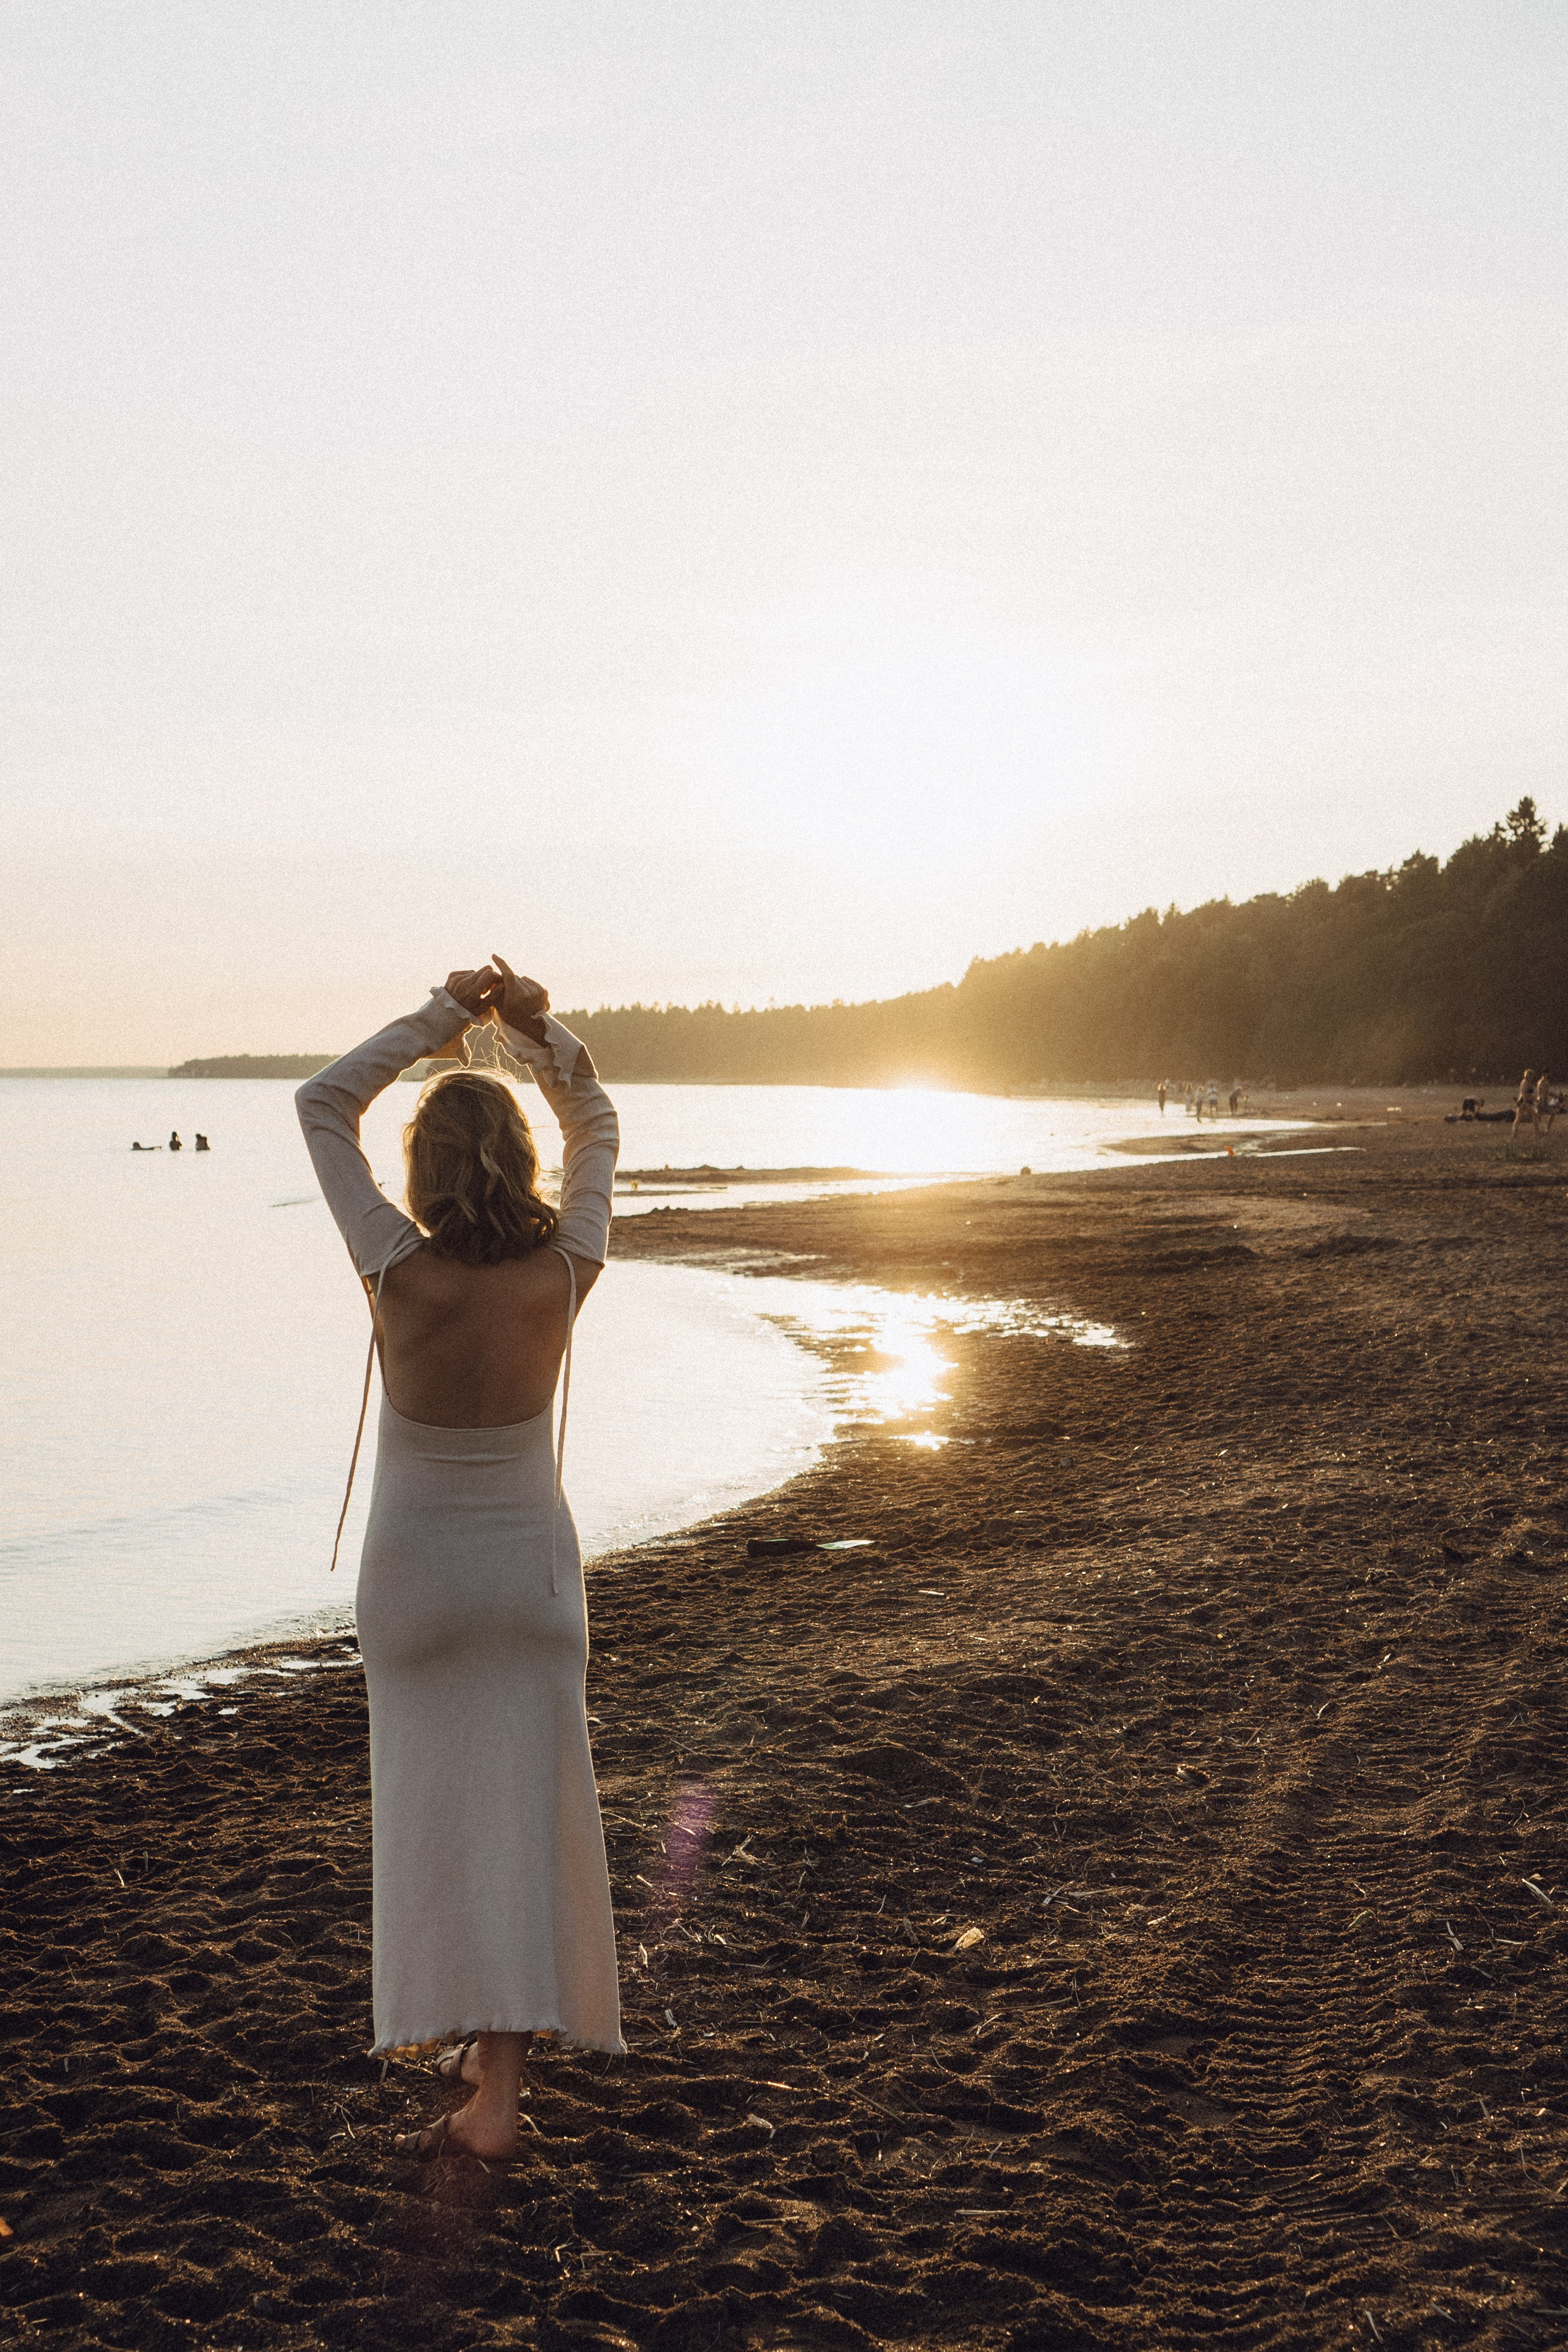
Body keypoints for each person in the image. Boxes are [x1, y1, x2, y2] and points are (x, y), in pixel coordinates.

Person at [295, 953, 621, 2160]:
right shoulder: (563, 1270)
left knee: (437, 1816)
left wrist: (443, 1022)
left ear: (422, 1177)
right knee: (524, 1821)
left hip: (421, 1585)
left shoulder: (396, 1268)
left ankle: (461, 2041)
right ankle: (499, 2088)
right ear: (522, 1165)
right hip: (532, 1583)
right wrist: (538, 1033)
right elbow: (598, 1118)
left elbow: (320, 1103)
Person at [1513, 1069, 1537, 1142]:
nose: (1533, 1077)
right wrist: (1528, 1102)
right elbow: (1524, 1094)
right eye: (1532, 1075)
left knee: (1518, 1119)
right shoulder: (1526, 1083)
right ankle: (1537, 1133)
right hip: (1524, 1102)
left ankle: (1515, 1135)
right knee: (1534, 1116)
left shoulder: (1527, 1083)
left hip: (1523, 1102)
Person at [1534, 1072, 1554, 1136]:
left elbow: (1547, 1092)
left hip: (1542, 1102)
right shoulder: (1543, 1082)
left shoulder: (1543, 1082)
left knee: (1538, 1117)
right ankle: (1547, 1130)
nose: (1549, 1075)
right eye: (1547, 1074)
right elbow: (1542, 1093)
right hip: (1542, 1102)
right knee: (1553, 1113)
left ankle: (1538, 1132)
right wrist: (1543, 1101)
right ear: (1545, 1074)